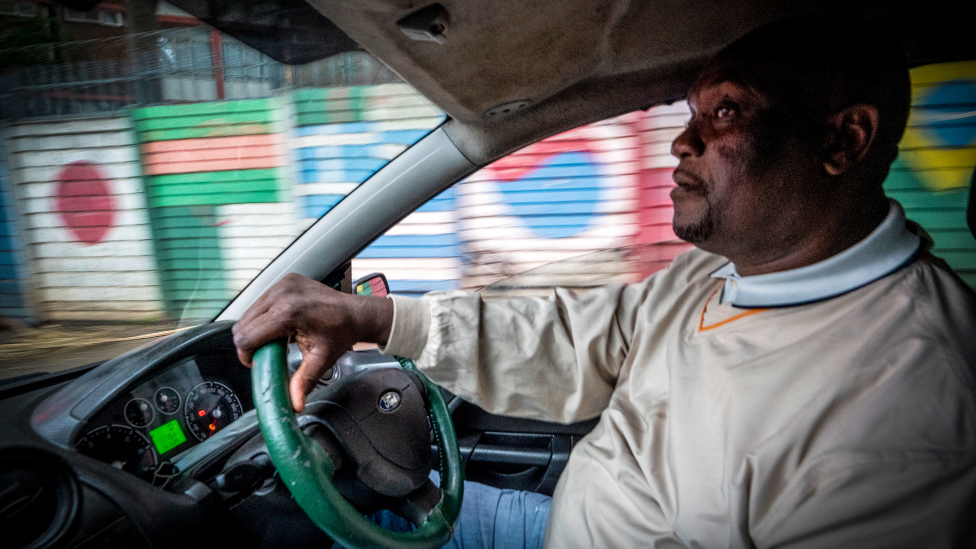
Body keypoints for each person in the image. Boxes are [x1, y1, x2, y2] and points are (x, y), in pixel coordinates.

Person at [233, 16, 976, 549]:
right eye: (691, 113)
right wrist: (374, 320)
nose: (683, 141)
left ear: (843, 140)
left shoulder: (910, 412)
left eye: (726, 111)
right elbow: (576, 337)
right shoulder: (720, 274)